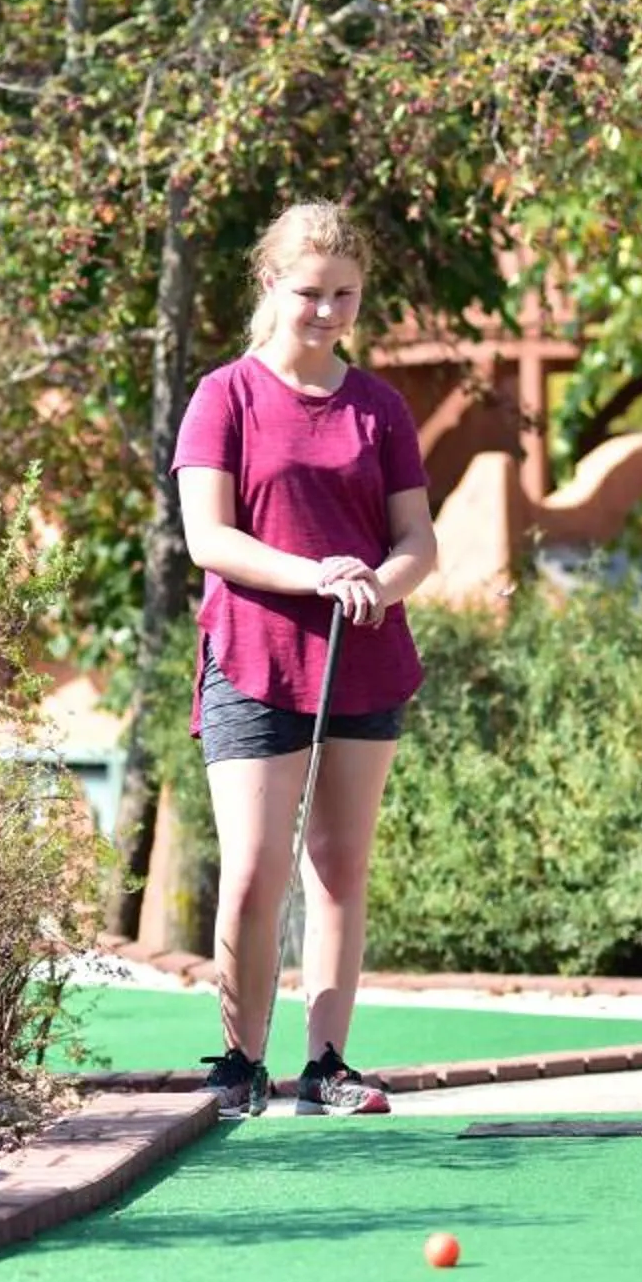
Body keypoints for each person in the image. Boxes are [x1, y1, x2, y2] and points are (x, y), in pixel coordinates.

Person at [171, 202, 438, 1121]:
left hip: (361, 661)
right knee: (252, 870)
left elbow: (417, 545)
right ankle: (240, 1063)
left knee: (338, 866)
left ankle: (327, 1065)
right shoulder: (225, 396)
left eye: (345, 295)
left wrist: (378, 583)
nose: (326, 311)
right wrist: (316, 575)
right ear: (271, 287)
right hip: (252, 657)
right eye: (310, 293)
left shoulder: (380, 407)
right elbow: (208, 538)